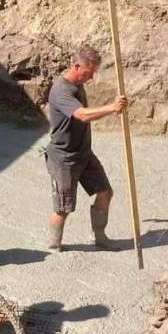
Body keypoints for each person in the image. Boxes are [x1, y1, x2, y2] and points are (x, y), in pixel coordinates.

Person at [45, 45, 128, 251]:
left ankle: (100, 238)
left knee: (105, 192)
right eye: (88, 73)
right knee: (63, 208)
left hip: (83, 153)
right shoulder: (60, 90)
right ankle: (54, 245)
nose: (90, 78)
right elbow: (81, 115)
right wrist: (111, 108)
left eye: (93, 73)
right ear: (76, 66)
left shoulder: (77, 83)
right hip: (64, 158)